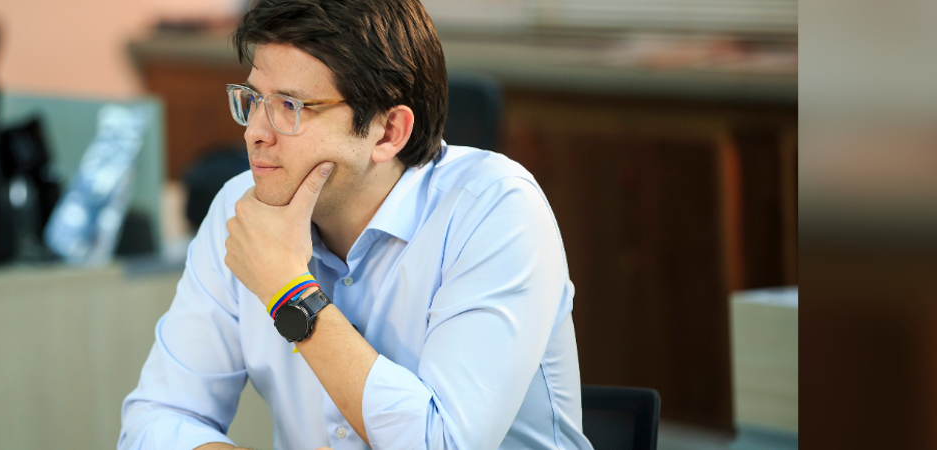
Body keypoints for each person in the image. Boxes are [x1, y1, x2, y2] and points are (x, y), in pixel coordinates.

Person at [118, 0, 591, 448]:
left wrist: (288, 292)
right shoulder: (240, 209)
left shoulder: (496, 209)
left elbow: (443, 442)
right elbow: (154, 420)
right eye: (254, 98)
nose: (254, 132)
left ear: (388, 132)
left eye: (290, 106)